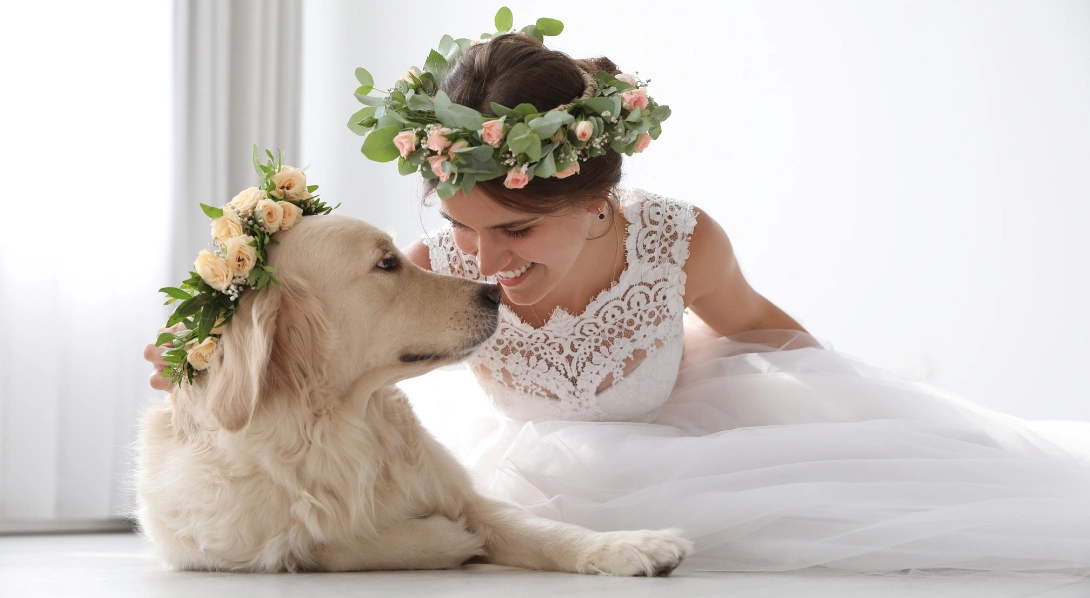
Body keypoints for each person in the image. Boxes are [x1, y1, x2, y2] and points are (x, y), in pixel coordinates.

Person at [146, 32, 1090, 574]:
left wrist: (869, 408)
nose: (486, 262)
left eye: (517, 234)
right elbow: (335, 349)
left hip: (672, 441)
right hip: (524, 458)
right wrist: (205, 358)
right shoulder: (441, 276)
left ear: (596, 205)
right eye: (463, 227)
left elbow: (764, 331)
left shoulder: (678, 242)